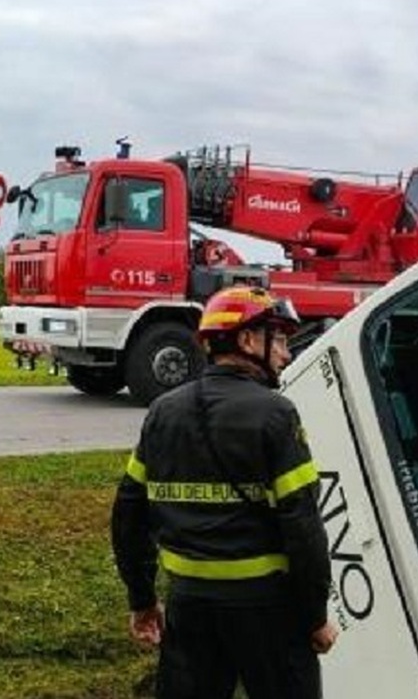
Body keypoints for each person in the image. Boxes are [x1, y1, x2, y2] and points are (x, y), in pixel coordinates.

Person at [110, 285, 339, 699]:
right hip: (268, 612)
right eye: (281, 339)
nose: (286, 353)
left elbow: (129, 513)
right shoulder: (275, 414)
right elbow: (303, 528)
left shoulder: (163, 412)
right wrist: (315, 617)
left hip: (188, 609)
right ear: (248, 340)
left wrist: (142, 599)